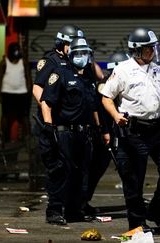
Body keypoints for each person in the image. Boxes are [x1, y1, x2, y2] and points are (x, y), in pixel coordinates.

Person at [100, 27, 160, 231]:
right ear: (137, 50)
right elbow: (106, 97)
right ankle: (137, 224)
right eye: (149, 48)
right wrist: (116, 116)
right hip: (133, 132)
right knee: (134, 180)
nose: (153, 51)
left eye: (154, 47)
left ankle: (156, 211)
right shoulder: (123, 70)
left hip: (158, 130)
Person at [40, 37, 100, 224]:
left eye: (85, 53)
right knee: (61, 172)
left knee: (80, 173)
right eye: (78, 53)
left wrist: (99, 129)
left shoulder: (88, 78)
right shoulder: (60, 74)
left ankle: (74, 210)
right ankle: (55, 211)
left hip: (84, 133)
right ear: (71, 54)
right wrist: (50, 127)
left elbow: (93, 106)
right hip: (64, 132)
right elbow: (46, 102)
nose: (82, 57)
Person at [84, 51, 130, 216]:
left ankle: (84, 200)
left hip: (113, 132)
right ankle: (82, 201)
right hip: (103, 134)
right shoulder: (105, 85)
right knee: (96, 168)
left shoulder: (119, 82)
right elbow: (100, 112)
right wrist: (104, 131)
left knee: (105, 167)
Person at [0, 42, 32, 142]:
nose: (18, 52)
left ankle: (27, 138)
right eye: (16, 50)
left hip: (22, 93)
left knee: (24, 116)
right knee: (5, 116)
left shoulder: (23, 62)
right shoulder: (4, 62)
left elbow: (28, 77)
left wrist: (29, 91)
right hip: (7, 93)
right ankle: (4, 137)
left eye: (18, 50)